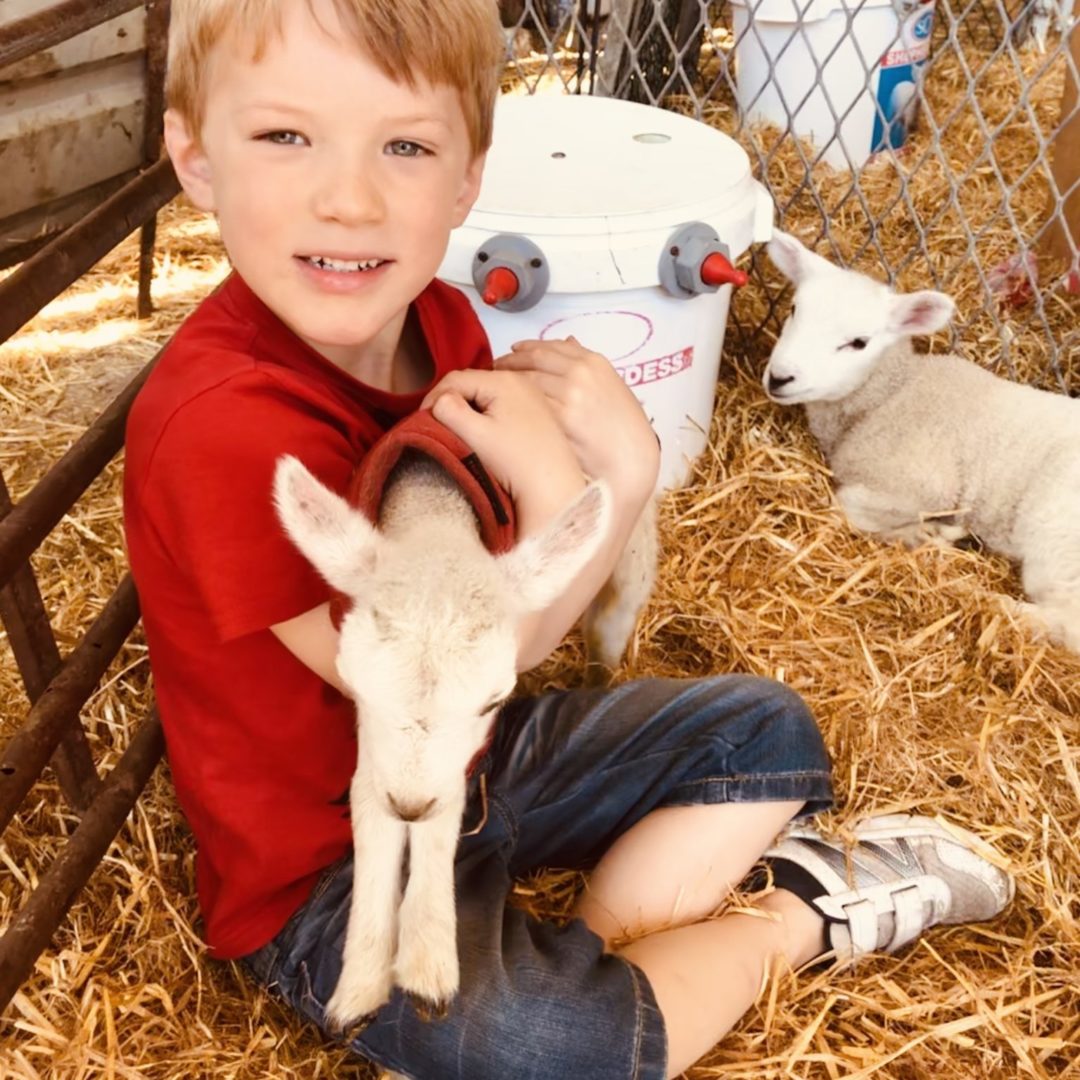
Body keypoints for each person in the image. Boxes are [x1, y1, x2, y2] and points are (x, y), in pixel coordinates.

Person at [122, 2, 1014, 1077]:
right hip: (333, 865)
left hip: (488, 767)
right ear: (195, 157)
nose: (348, 199)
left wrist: (566, 487)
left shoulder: (444, 321)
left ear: (466, 180)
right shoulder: (221, 429)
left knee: (764, 731)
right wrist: (610, 484)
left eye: (404, 146)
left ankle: (586, 949)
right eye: (284, 136)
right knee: (553, 1050)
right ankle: (802, 919)